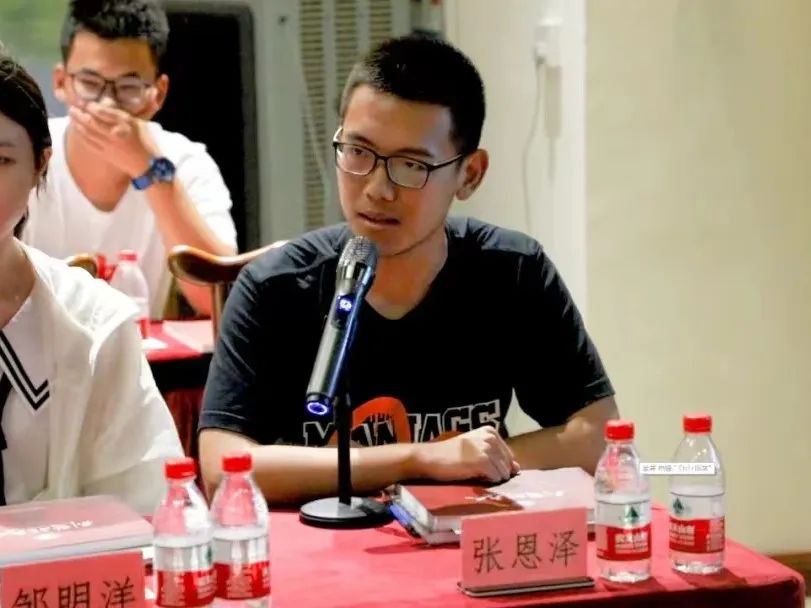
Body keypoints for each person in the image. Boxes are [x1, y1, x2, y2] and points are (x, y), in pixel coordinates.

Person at [198, 35, 619, 504]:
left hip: (460, 536)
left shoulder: (512, 272)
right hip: (323, 541)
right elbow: (221, 468)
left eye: (411, 165)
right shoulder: (275, 286)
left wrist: (474, 461)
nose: (378, 189)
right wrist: (419, 460)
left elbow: (597, 435)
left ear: (470, 174)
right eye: (357, 152)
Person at [0, 47, 183, 514]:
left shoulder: (96, 322)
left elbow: (145, 502)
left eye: (0, 160)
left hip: (65, 562)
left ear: (40, 165)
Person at [21, 0, 237, 318]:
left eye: (128, 87)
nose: (107, 105)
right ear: (61, 83)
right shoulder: (22, 157)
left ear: (158, 94)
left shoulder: (185, 162)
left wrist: (151, 170)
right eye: (90, 84)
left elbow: (221, 298)